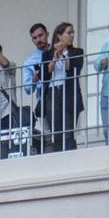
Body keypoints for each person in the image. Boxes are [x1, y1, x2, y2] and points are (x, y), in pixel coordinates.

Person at [33, 22, 84, 152]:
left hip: (69, 93)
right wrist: (55, 56)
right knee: (56, 132)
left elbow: (72, 69)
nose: (72, 35)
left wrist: (64, 54)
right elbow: (45, 74)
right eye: (69, 32)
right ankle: (59, 156)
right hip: (52, 92)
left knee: (68, 131)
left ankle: (70, 158)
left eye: (72, 33)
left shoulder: (77, 52)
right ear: (59, 35)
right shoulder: (47, 54)